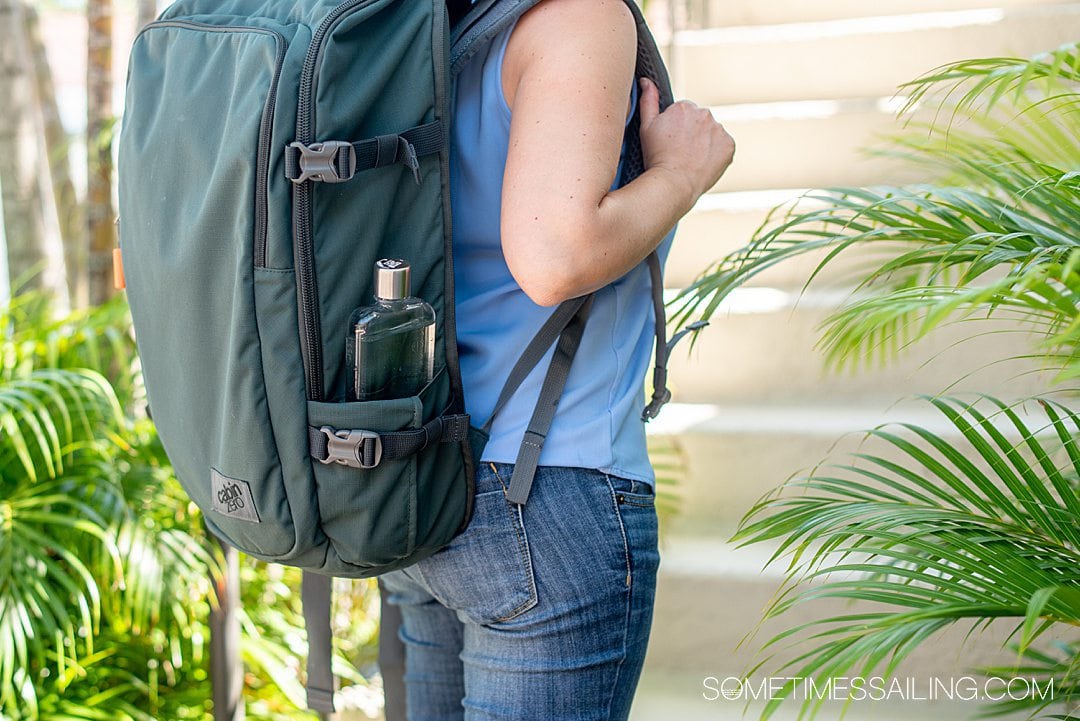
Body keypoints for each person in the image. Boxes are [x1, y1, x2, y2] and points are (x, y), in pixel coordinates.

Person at [379, 0, 735, 718]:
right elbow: (555, 256)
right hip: (540, 499)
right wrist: (681, 175)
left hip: (417, 477)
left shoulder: (424, 25)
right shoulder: (578, 16)